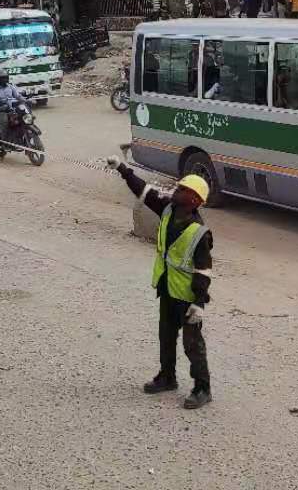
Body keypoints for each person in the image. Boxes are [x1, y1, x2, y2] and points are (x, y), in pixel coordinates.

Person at [105, 160, 214, 410]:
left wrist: (199, 303)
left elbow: (204, 271)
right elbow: (143, 191)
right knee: (166, 336)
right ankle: (167, 377)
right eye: (179, 187)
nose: (177, 190)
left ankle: (202, 388)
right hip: (166, 288)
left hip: (187, 297)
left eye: (183, 189)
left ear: (195, 200)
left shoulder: (199, 233)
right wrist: (123, 170)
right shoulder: (168, 209)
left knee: (192, 345)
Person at [0, 69, 27, 143]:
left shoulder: (10, 87)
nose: (4, 80)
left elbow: (17, 96)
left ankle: (18, 136)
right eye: (1, 78)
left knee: (21, 118)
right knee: (5, 121)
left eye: (5, 78)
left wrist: (25, 100)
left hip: (10, 109)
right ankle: (5, 141)